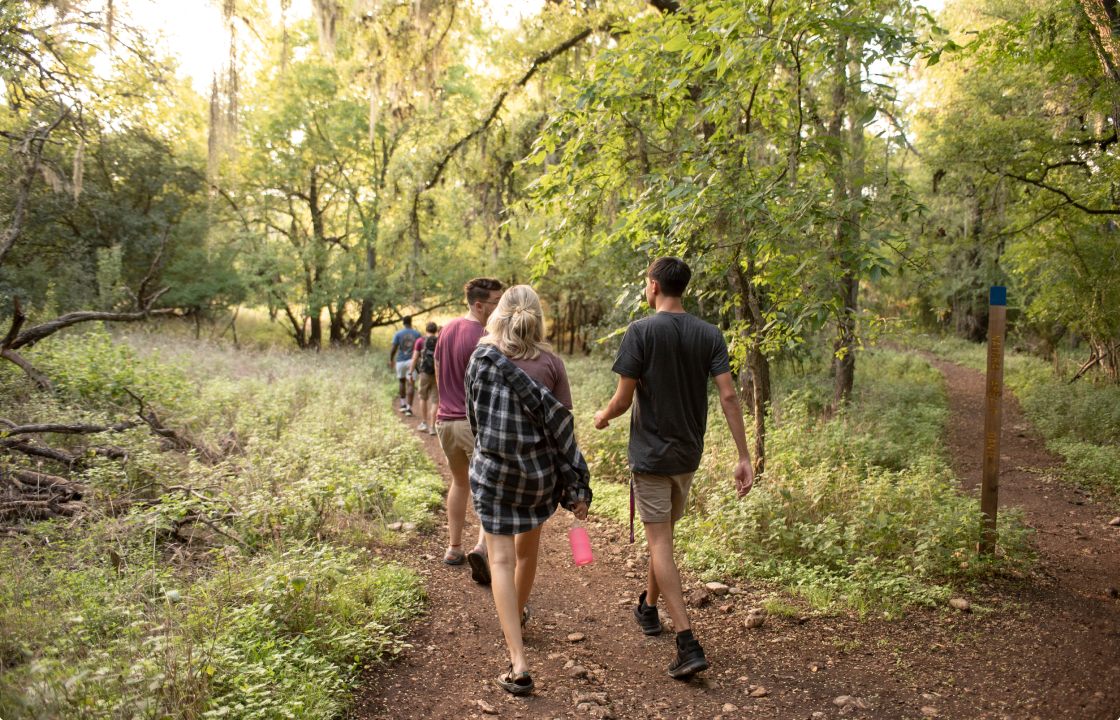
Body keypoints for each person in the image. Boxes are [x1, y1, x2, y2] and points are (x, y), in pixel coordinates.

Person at [593, 256, 754, 679]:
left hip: (650, 456)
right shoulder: (710, 334)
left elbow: (623, 398)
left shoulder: (640, 331)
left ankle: (687, 642)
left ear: (653, 286)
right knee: (660, 533)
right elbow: (729, 397)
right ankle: (648, 609)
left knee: (660, 542)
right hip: (687, 455)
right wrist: (743, 456)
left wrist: (602, 416)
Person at [465, 285, 591, 695]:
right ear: (538, 317)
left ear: (499, 314)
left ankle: (517, 661)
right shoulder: (551, 364)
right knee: (526, 554)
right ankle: (515, 616)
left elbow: (476, 424)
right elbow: (562, 430)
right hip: (537, 478)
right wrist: (575, 486)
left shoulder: (481, 359)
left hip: (494, 474)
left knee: (499, 561)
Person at [435, 277, 504, 582]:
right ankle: (481, 548)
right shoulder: (485, 335)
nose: (500, 307)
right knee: (491, 488)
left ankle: (453, 548)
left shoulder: (446, 329)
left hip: (444, 422)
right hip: (470, 422)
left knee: (460, 482)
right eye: (495, 302)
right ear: (479, 305)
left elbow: (438, 370)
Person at [409, 322, 439, 435]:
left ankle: (424, 423)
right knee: (435, 400)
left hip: (424, 373)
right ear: (436, 330)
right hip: (436, 373)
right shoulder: (439, 340)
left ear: (426, 329)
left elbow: (415, 357)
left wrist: (410, 373)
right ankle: (432, 426)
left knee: (423, 397)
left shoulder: (420, 341)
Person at [390, 316, 422, 415]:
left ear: (403, 323)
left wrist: (391, 359)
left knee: (401, 381)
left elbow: (394, 348)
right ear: (411, 322)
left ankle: (403, 404)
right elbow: (420, 349)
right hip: (412, 361)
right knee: (411, 383)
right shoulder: (417, 334)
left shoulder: (398, 334)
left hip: (400, 361)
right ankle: (409, 408)